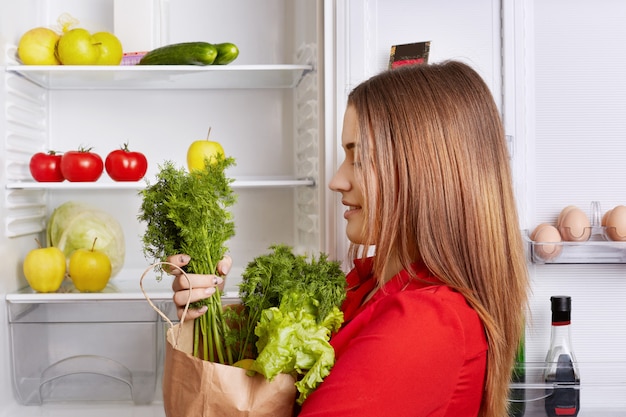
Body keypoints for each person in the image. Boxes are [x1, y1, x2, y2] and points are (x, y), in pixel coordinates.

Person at [168, 60, 529, 417]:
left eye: (360, 159)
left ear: (426, 174)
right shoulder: (371, 283)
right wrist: (208, 315)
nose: (336, 180)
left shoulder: (427, 322)